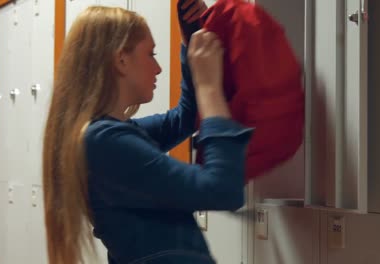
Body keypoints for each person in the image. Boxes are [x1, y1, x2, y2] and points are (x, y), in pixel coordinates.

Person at [42, 2, 253, 264]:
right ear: (121, 59)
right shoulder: (104, 143)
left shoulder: (109, 136)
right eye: (151, 54)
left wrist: (191, 37)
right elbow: (222, 189)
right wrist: (209, 86)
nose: (158, 68)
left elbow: (183, 120)